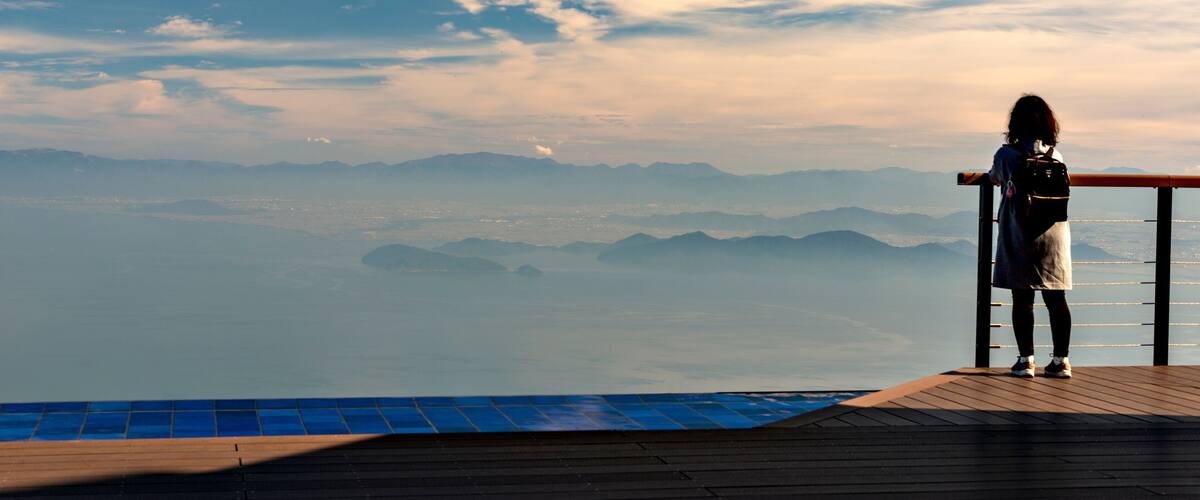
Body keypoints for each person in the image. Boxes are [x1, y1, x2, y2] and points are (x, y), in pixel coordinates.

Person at [989, 94, 1073, 379]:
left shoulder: (1006, 155)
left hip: (1020, 230)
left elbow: (995, 177)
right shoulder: (1056, 157)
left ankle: (1026, 360)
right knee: (1056, 297)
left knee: (1022, 296)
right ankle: (1061, 361)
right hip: (1054, 232)